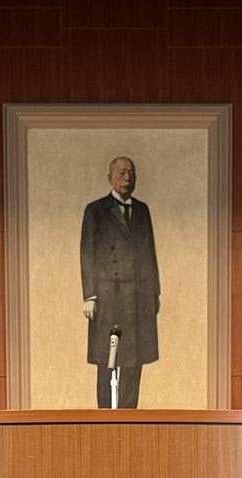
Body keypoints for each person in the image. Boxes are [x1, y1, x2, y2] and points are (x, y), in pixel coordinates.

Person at [80, 156, 160, 408]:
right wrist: (90, 295)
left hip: (138, 298)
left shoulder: (142, 211)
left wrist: (155, 293)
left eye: (131, 173)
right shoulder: (95, 211)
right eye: (122, 173)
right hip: (108, 298)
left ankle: (129, 419)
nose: (128, 178)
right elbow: (87, 253)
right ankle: (104, 419)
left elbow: (149, 252)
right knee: (108, 361)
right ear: (110, 178)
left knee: (134, 362)